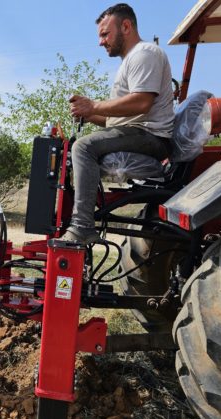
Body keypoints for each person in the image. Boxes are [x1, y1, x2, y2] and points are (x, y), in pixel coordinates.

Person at [62, 3, 174, 244]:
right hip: (138, 132)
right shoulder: (130, 61)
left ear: (126, 26)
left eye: (105, 34)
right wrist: (88, 114)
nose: (101, 42)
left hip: (151, 137)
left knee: (83, 147)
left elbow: (142, 102)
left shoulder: (145, 53)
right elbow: (118, 119)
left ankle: (82, 227)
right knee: (69, 150)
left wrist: (93, 105)